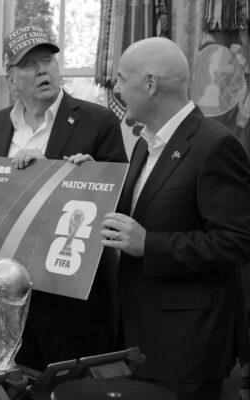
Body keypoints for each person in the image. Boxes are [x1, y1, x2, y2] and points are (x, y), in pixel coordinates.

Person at [101, 37, 250, 400]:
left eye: (122, 79)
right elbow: (138, 212)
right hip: (137, 339)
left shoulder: (215, 144)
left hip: (186, 348)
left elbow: (237, 241)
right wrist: (89, 178)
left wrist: (148, 244)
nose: (116, 89)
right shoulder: (144, 144)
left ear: (150, 84)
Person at [0, 25, 128, 369]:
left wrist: (74, 176)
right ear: (12, 80)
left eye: (47, 61)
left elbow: (120, 205)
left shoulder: (98, 121)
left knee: (71, 389)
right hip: (7, 301)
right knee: (12, 386)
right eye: (30, 64)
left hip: (72, 306)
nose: (42, 70)